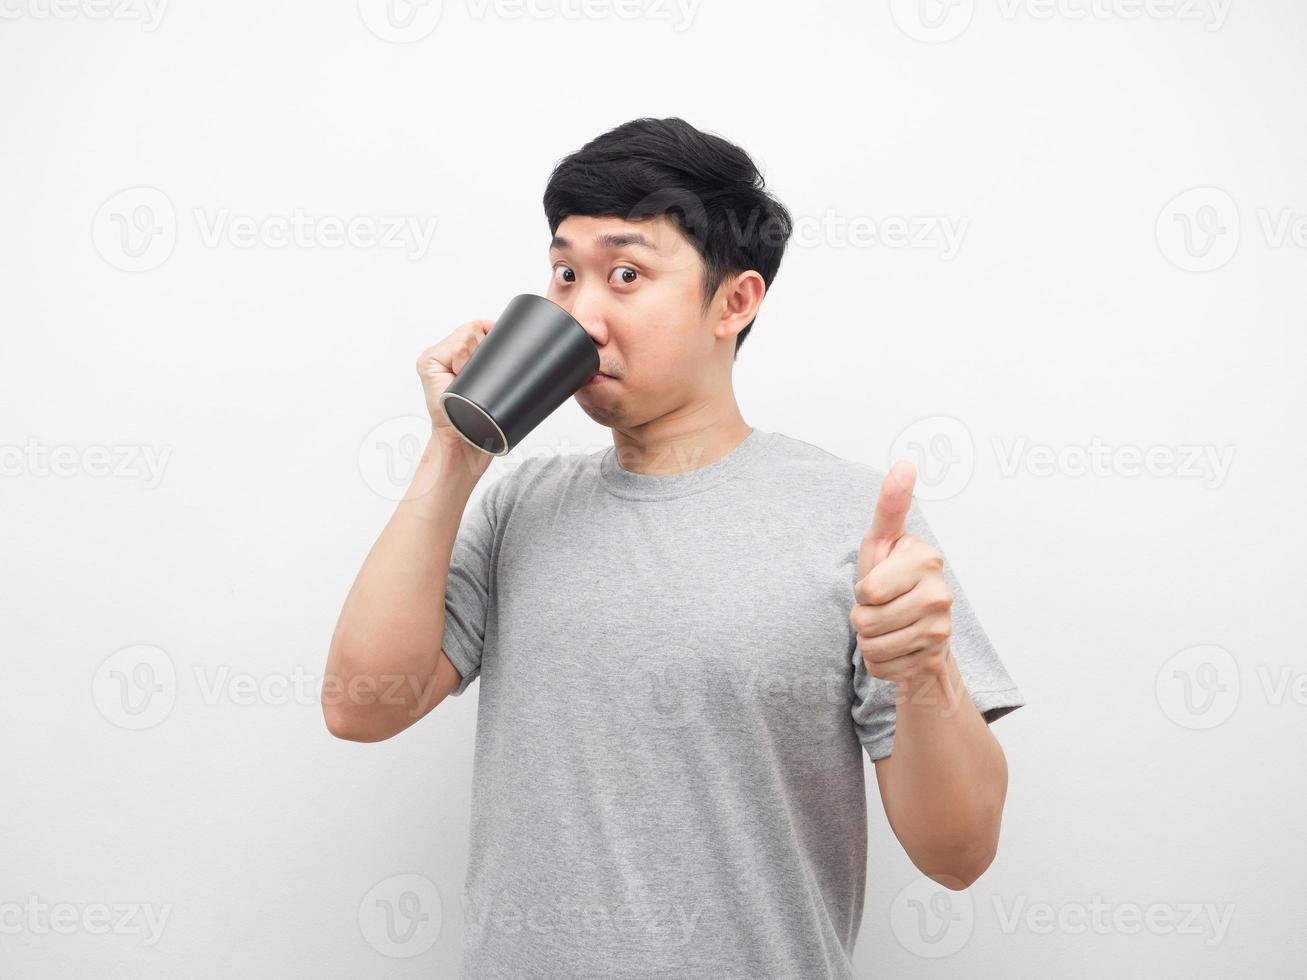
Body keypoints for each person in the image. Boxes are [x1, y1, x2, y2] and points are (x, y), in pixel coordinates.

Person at [322, 116, 1027, 979]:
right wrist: (454, 450)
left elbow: (957, 856)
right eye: (564, 272)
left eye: (625, 274)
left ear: (734, 302)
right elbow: (362, 707)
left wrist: (923, 672)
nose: (581, 312)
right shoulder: (519, 505)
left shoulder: (859, 527)